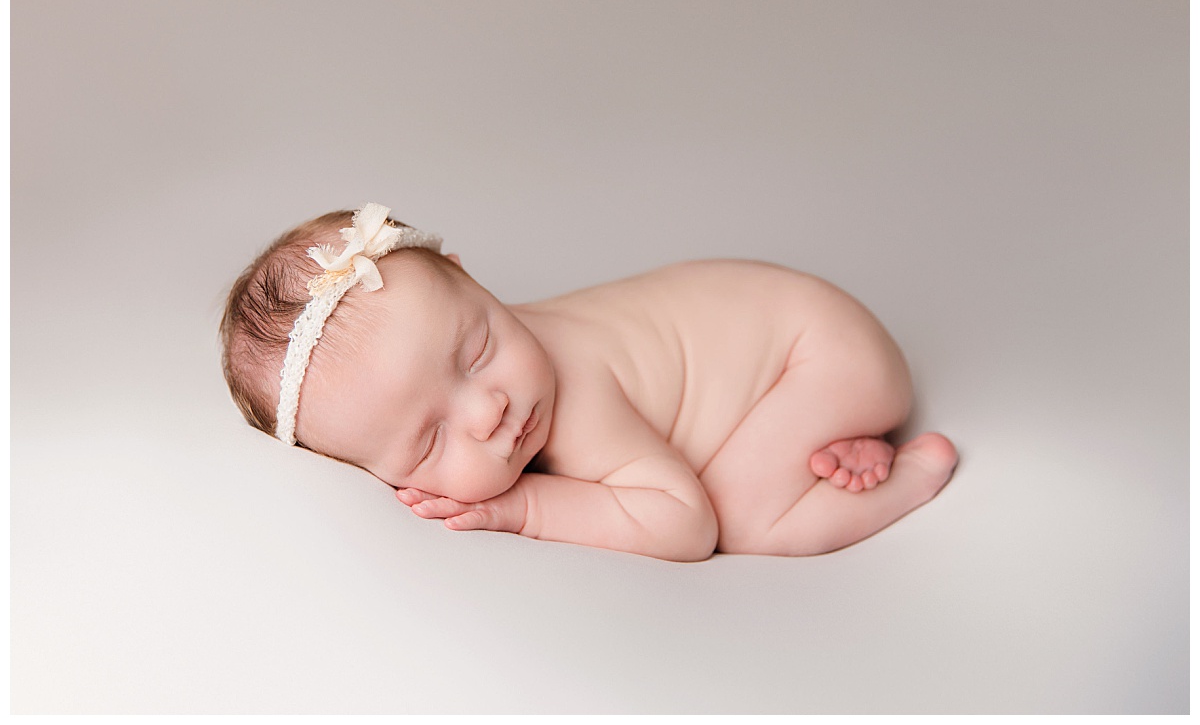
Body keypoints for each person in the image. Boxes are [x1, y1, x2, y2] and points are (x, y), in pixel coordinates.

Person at [220, 203, 957, 561]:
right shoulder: (501, 362)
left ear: (479, 284)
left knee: (739, 514)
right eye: (430, 437)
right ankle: (829, 441)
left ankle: (909, 475)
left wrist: (529, 505)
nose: (489, 408)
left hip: (822, 355)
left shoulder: (573, 401)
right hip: (797, 341)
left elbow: (686, 524)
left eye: (478, 348)